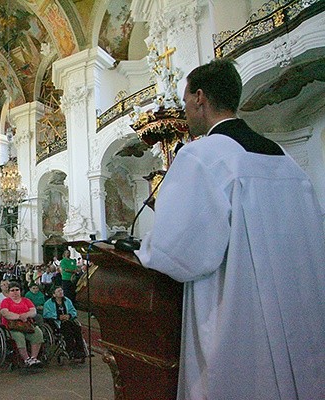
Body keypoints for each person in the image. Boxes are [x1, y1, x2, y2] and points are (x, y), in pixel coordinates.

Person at [136, 59, 325, 400]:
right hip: (298, 311)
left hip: (240, 314)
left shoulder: (202, 155)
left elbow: (179, 252)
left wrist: (144, 248)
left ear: (199, 98)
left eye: (185, 103)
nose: (185, 113)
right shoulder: (284, 158)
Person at [0, 282, 44, 367]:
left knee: (37, 333)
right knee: (19, 336)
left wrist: (26, 315)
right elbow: (5, 313)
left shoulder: (26, 300)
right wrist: (19, 317)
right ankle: (26, 359)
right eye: (12, 290)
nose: (15, 292)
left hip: (27, 324)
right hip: (12, 326)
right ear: (8, 292)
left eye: (17, 290)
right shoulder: (5, 301)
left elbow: (33, 311)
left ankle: (33, 358)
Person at [42, 286, 85, 362]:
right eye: (58, 291)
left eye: (61, 290)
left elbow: (73, 310)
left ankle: (80, 350)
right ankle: (70, 350)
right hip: (56, 323)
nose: (61, 292)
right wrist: (58, 316)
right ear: (54, 294)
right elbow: (46, 314)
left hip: (68, 320)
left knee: (77, 328)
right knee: (67, 329)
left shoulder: (67, 301)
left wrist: (69, 315)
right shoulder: (48, 303)